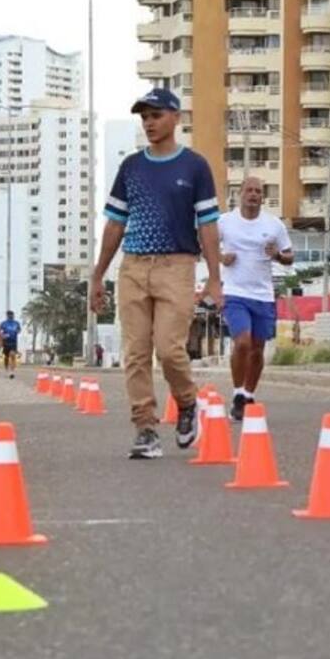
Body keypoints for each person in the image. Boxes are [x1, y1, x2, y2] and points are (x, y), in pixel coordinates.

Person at [90, 87, 223, 459]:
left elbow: (208, 225)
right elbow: (115, 224)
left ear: (175, 117)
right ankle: (145, 428)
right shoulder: (132, 167)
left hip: (177, 265)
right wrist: (98, 274)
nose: (149, 123)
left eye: (156, 115)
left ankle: (186, 402)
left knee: (168, 348)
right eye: (144, 117)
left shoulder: (194, 166)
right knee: (135, 352)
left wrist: (214, 278)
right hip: (133, 267)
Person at [218, 176, 293, 421]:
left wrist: (278, 256)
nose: (253, 195)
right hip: (235, 293)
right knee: (242, 343)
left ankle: (249, 394)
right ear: (240, 193)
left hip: (263, 295)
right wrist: (221, 257)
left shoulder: (274, 225)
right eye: (249, 190)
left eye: (258, 191)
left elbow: (290, 256)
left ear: (263, 196)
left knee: (258, 351)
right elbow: (205, 244)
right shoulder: (226, 222)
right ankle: (238, 393)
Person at [0, 311, 22, 379]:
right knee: (6, 357)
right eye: (9, 315)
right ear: (7, 316)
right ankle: (6, 369)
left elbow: (19, 330)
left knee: (12, 355)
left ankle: (12, 371)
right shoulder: (4, 323)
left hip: (13, 342)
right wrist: (2, 335)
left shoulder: (16, 323)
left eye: (12, 315)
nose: (11, 316)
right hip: (6, 342)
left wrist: (17, 331)